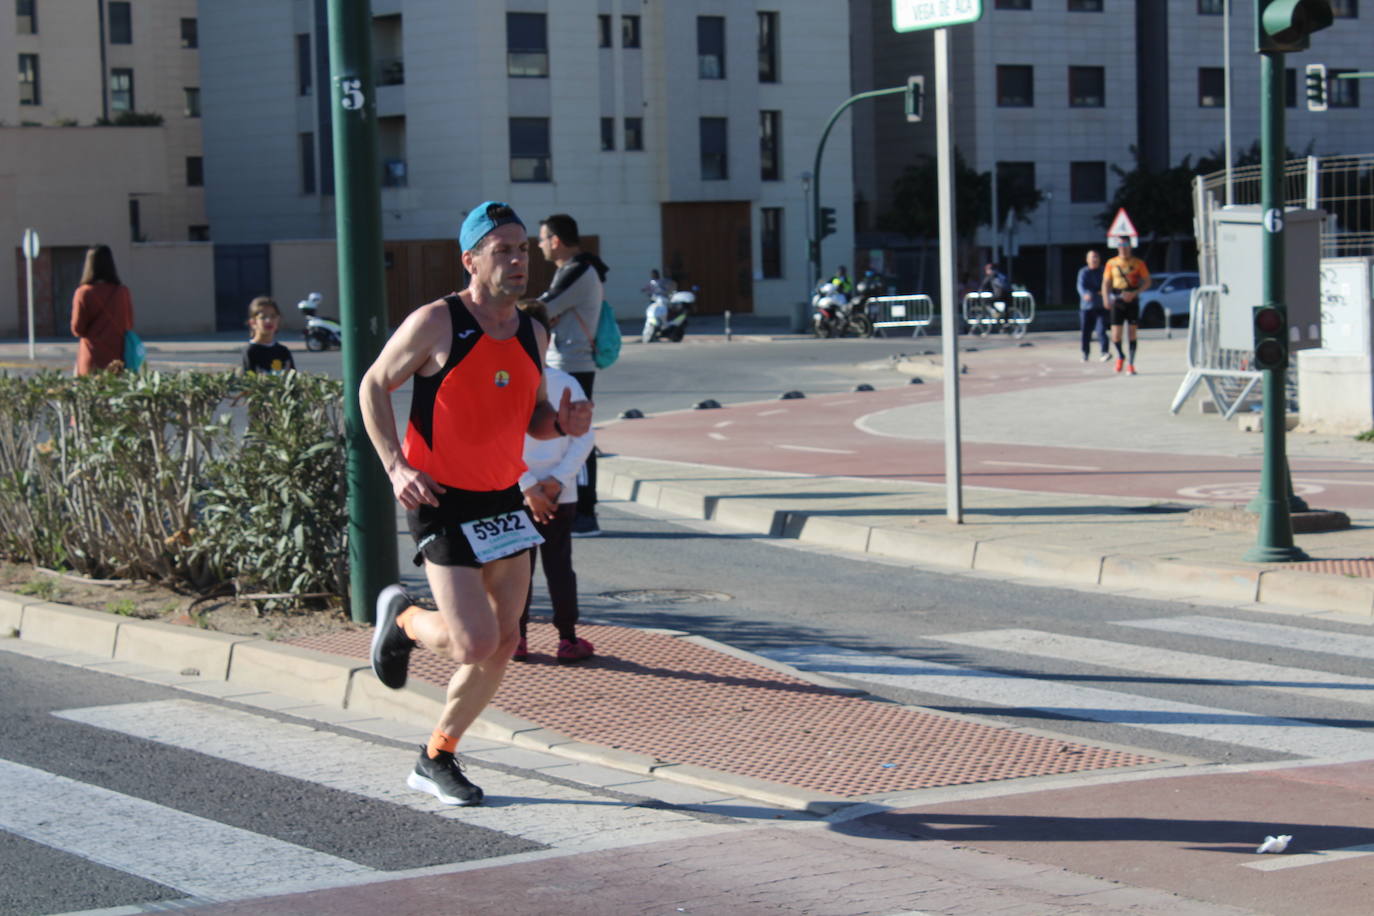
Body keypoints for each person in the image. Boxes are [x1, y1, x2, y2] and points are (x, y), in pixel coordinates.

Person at [360, 201, 594, 807]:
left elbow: (531, 418)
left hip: (502, 499)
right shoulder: (438, 322)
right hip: (441, 497)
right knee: (471, 642)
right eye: (503, 250)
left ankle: (437, 754)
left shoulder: (532, 330)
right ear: (471, 260)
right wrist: (395, 466)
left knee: (503, 640)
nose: (519, 261)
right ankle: (405, 620)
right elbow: (372, 385)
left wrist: (561, 423)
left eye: (522, 249)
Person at [513, 299, 596, 664]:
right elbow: (584, 437)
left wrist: (529, 485)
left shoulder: (506, 385)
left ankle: (517, 638)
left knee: (516, 570)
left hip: (517, 493)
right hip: (560, 495)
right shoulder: (567, 382)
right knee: (559, 566)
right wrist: (557, 482)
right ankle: (567, 639)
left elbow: (498, 443)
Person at [537, 213, 609, 538]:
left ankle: (584, 513)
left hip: (573, 363)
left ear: (555, 240)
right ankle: (572, 508)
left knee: (577, 434)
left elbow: (543, 309)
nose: (538, 245)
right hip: (568, 360)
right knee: (566, 433)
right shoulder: (571, 270)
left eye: (541, 238)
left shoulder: (578, 271)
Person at [70, 245, 134, 376]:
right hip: (117, 358)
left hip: (91, 358)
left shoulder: (83, 292)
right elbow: (129, 324)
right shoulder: (122, 291)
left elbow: (77, 329)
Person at [1101, 238, 1151, 375]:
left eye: (1125, 245)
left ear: (1130, 246)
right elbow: (1106, 282)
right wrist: (1106, 298)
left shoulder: (1138, 263)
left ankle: (1131, 363)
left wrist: (1136, 292)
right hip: (1118, 299)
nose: (1123, 248)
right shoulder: (1111, 263)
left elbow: (1147, 281)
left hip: (1132, 299)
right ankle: (1121, 355)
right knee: (1116, 335)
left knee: (1132, 333)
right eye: (1120, 245)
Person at [241, 297, 296, 375]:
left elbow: (293, 379)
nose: (269, 321)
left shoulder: (283, 351)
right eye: (263, 317)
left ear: (278, 319)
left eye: (273, 316)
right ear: (253, 322)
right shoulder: (250, 351)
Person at [1076, 250, 1110, 362]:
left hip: (1101, 306)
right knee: (1086, 331)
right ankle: (1085, 353)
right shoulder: (1084, 272)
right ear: (1087, 260)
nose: (1094, 259)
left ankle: (1104, 352)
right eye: (1092, 257)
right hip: (1086, 307)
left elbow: (1107, 285)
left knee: (1101, 330)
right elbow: (1081, 287)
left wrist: (1103, 293)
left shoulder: (1103, 271)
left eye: (1096, 257)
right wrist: (1086, 294)